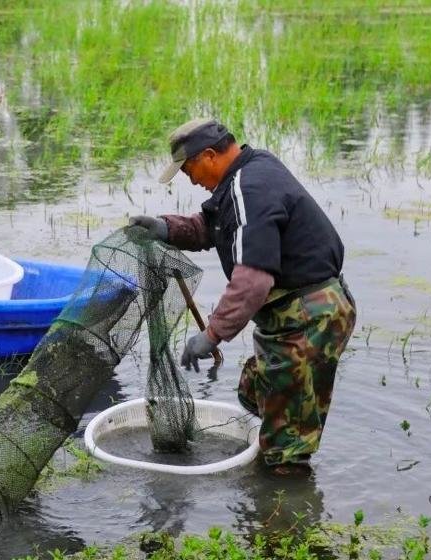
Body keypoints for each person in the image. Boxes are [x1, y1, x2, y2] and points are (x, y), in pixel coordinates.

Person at [130, 118, 357, 473]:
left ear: (209, 155)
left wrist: (211, 334)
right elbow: (214, 227)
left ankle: (283, 506)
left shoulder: (249, 187)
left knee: (285, 448)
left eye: (189, 169)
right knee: (257, 393)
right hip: (301, 312)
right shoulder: (250, 170)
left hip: (309, 316)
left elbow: (253, 282)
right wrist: (167, 228)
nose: (190, 179)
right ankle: (280, 472)